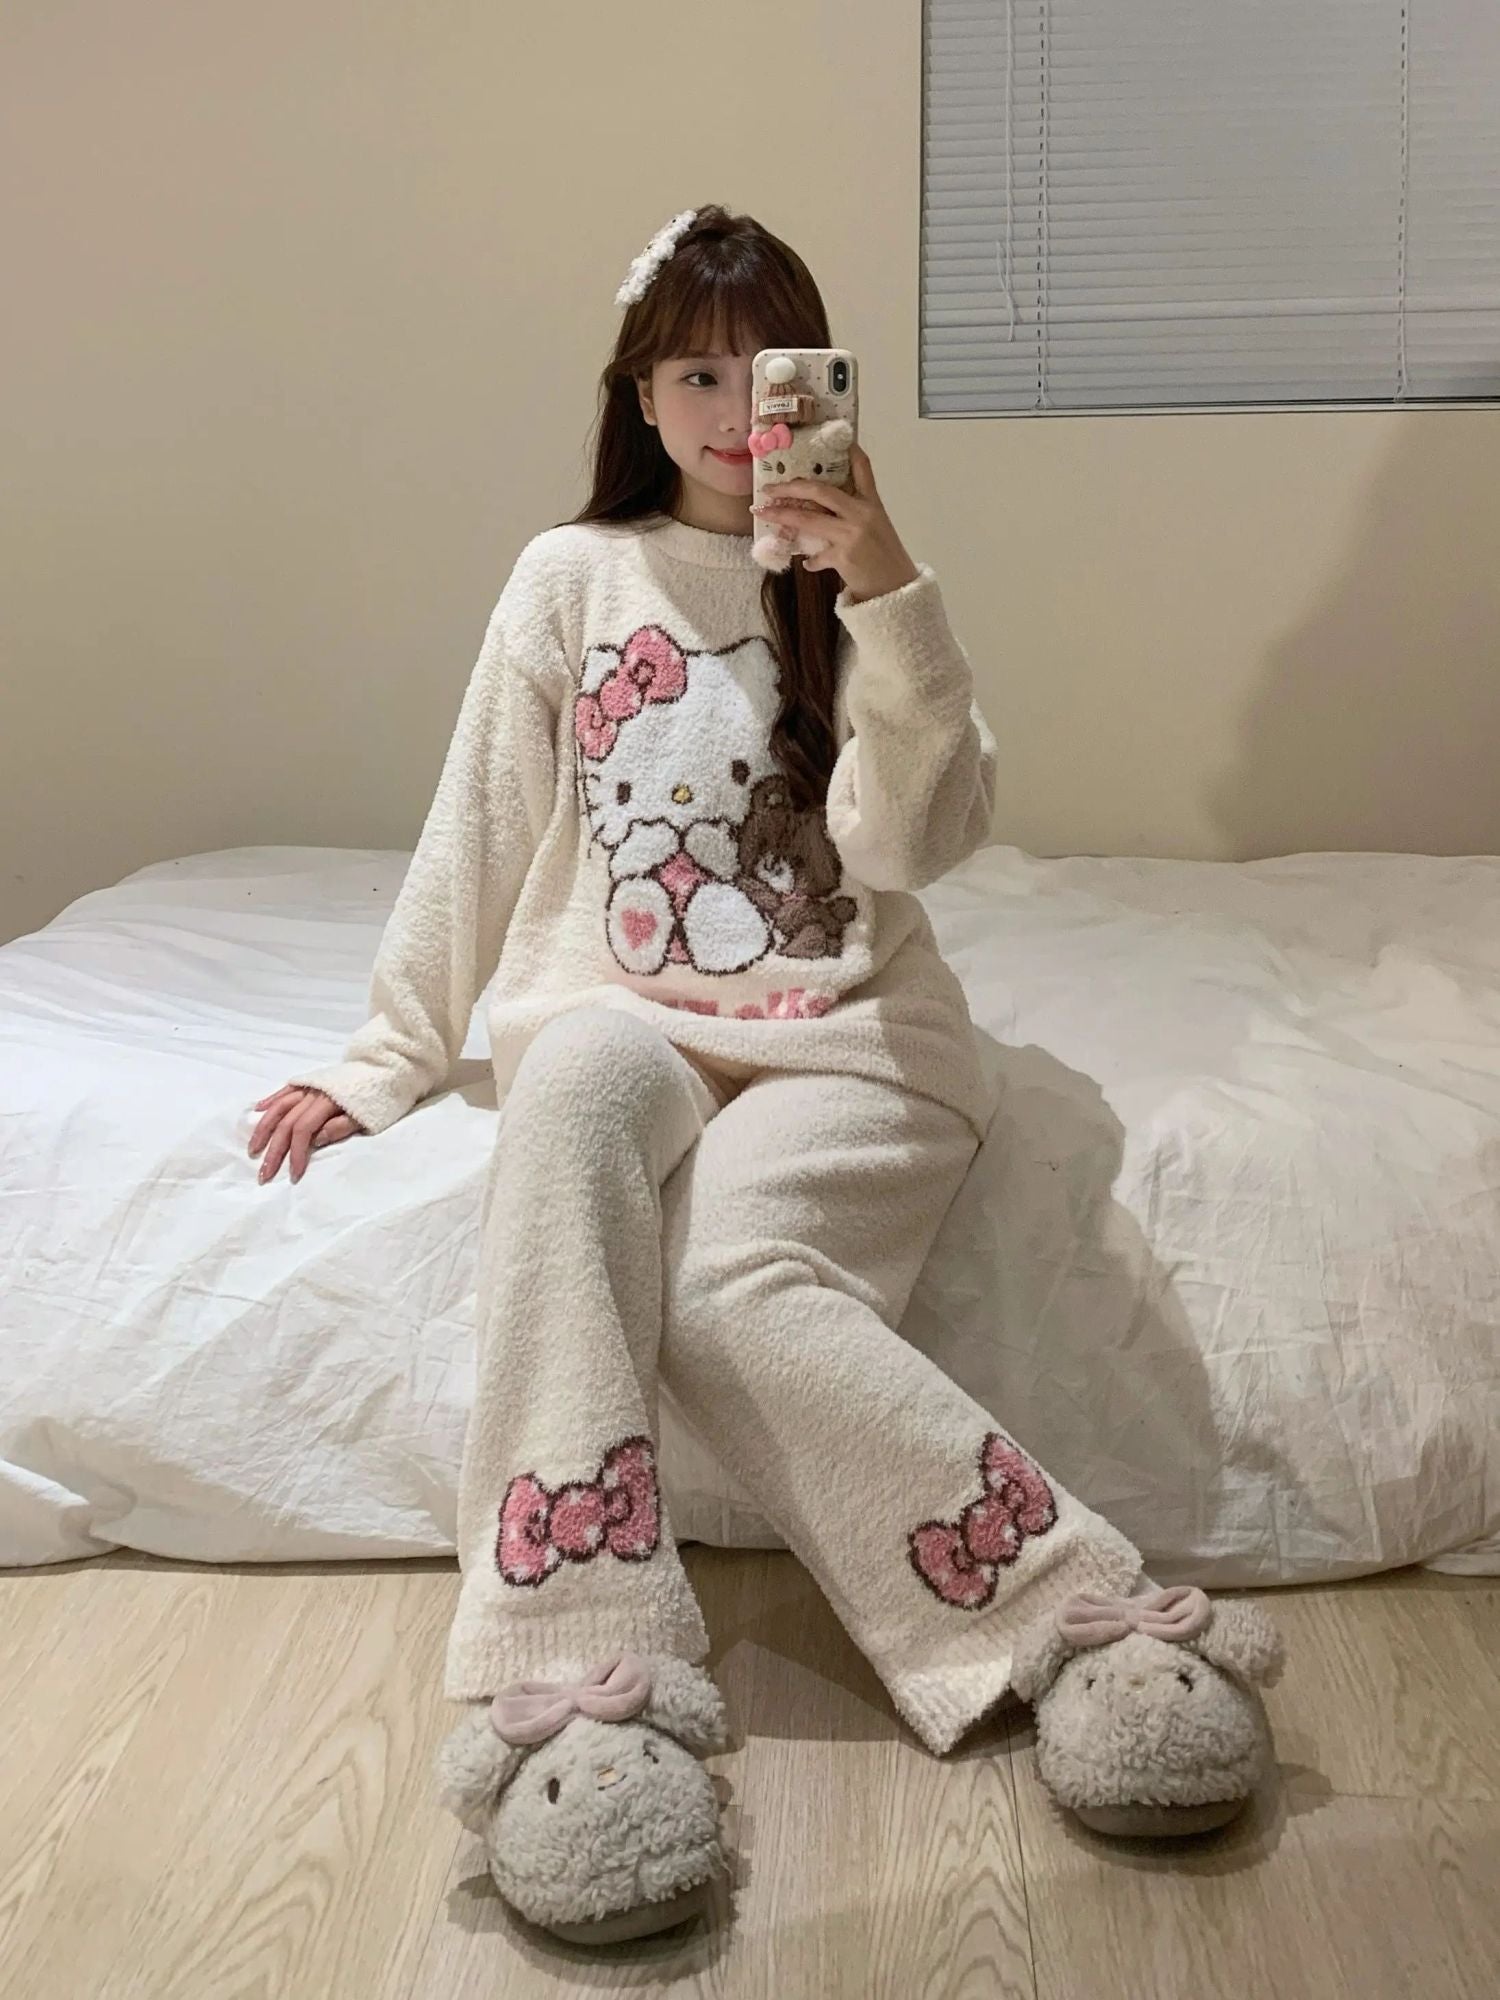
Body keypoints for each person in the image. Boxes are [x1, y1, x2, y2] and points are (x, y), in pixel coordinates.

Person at [247, 206, 1284, 1946]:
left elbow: (913, 845)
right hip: (624, 1008)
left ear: (825, 383)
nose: (737, 417)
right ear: (639, 398)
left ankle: (1066, 1612)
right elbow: (479, 825)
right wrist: (387, 1056)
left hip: (851, 1029)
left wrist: (887, 593)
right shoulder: (570, 579)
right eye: (695, 378)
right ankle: (580, 1667)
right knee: (566, 1112)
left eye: (768, 375)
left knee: (728, 1288)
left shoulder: (860, 585)